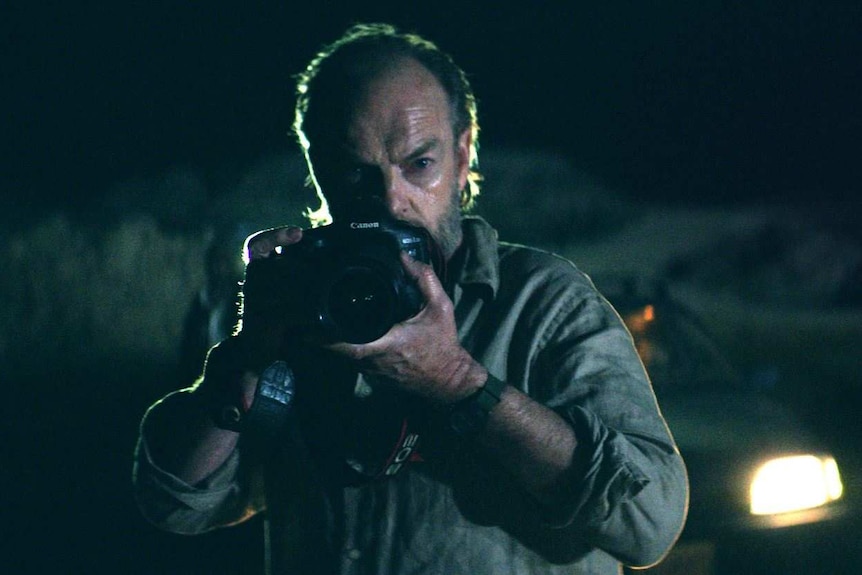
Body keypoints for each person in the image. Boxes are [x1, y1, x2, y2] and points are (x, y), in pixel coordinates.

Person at [133, 22, 688, 574]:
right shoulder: (302, 306)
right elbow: (176, 506)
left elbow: (649, 524)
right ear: (316, 166)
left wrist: (456, 382)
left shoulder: (542, 303)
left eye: (419, 164)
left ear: (464, 150)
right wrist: (245, 359)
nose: (391, 201)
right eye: (355, 173)